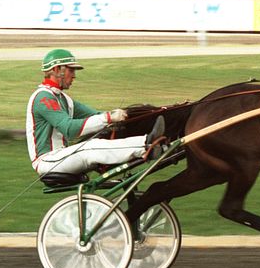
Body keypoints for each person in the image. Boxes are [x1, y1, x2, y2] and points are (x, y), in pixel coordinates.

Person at [26, 48, 165, 176]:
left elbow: (95, 115)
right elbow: (69, 129)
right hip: (47, 161)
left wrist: (124, 116)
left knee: (94, 144)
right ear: (57, 69)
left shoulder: (64, 99)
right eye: (71, 70)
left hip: (60, 157)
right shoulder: (43, 98)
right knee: (91, 146)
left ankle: (149, 144)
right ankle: (146, 144)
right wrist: (108, 118)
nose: (74, 76)